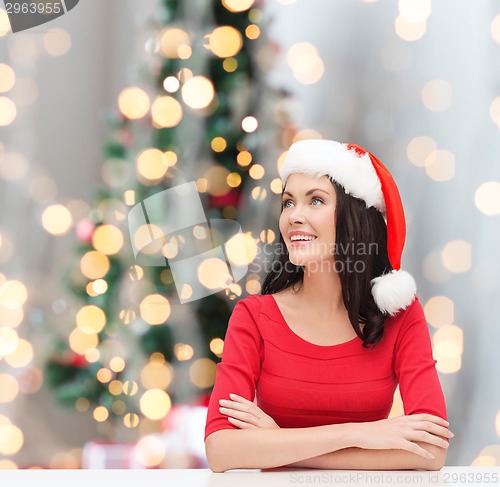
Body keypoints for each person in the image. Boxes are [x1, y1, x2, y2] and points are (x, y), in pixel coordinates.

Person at [204, 139, 452, 473]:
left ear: (354, 217)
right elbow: (220, 449)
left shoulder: (400, 315)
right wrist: (359, 434)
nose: (294, 216)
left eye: (316, 200)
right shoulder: (254, 317)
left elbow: (431, 449)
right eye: (288, 202)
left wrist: (279, 444)